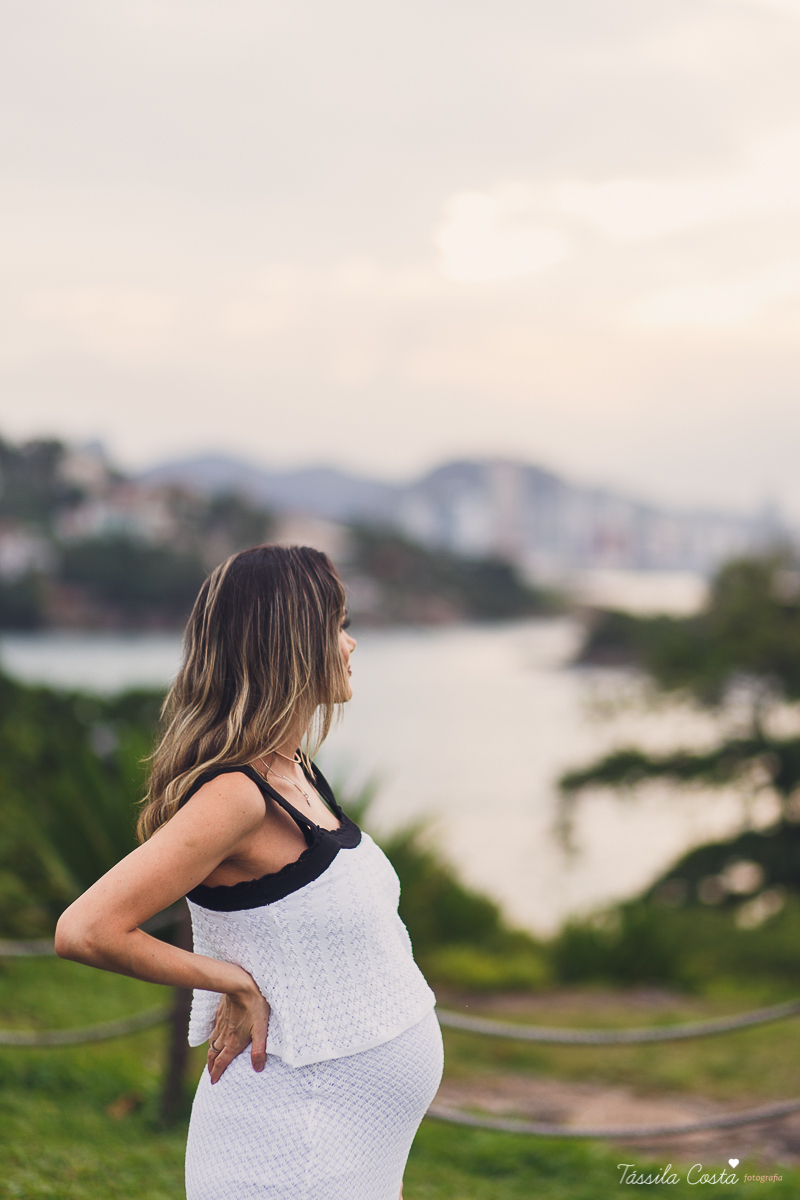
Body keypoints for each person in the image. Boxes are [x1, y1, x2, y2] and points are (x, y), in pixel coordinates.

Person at [55, 543, 443, 1200]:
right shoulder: (236, 796)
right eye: (337, 626)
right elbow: (85, 930)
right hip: (288, 1151)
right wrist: (230, 981)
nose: (351, 644)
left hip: (351, 1150)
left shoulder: (297, 770)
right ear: (292, 644)